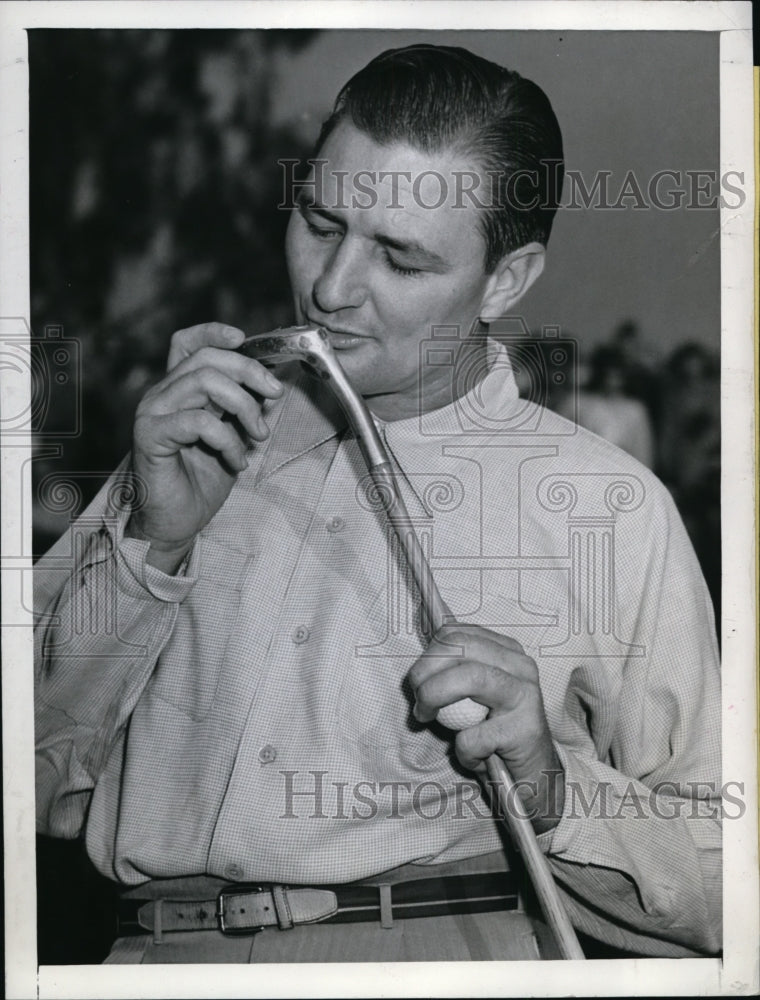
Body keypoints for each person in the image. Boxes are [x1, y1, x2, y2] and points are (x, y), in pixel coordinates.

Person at [34, 44, 721, 963]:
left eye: (400, 258)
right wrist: (150, 545)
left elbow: (727, 880)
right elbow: (29, 756)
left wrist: (553, 786)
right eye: (320, 221)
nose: (329, 286)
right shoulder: (193, 440)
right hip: (147, 961)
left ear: (506, 282)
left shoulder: (610, 509)